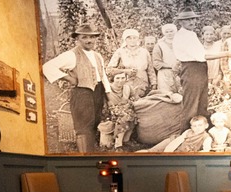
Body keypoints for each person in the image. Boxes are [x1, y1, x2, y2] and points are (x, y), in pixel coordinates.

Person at [42, 23, 107, 153]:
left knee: (94, 124)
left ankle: (91, 154)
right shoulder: (71, 55)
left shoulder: (97, 56)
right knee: (83, 127)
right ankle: (84, 158)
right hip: (82, 93)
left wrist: (108, 93)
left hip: (98, 92)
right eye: (84, 37)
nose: (89, 40)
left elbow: (103, 74)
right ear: (78, 39)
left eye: (92, 37)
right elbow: (47, 67)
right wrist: (69, 78)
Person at [172, 8, 231, 131]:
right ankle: (186, 134)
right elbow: (203, 56)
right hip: (191, 70)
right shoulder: (183, 36)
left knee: (202, 103)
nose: (191, 21)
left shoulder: (191, 34)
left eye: (193, 18)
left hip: (199, 70)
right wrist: (227, 53)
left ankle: (202, 132)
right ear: (181, 22)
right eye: (187, 20)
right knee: (191, 105)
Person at [107, 28, 156, 97]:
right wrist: (126, 71)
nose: (132, 40)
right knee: (128, 103)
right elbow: (109, 70)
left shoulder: (144, 52)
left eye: (134, 38)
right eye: (129, 38)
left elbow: (150, 70)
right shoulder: (120, 52)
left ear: (138, 39)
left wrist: (154, 84)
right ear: (125, 39)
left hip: (143, 84)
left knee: (142, 104)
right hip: (126, 83)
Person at [140, 115, 212, 153]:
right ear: (191, 127)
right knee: (151, 151)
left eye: (200, 125)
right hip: (172, 142)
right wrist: (167, 152)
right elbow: (176, 142)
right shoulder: (188, 132)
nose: (197, 128)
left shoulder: (206, 138)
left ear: (206, 126)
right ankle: (133, 157)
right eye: (195, 126)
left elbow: (206, 150)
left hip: (180, 151)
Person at [104, 71, 137, 148]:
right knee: (124, 117)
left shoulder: (127, 87)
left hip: (125, 109)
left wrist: (130, 101)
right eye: (117, 78)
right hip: (110, 111)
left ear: (126, 78)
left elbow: (133, 97)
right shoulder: (108, 88)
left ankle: (126, 140)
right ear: (113, 79)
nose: (120, 80)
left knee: (134, 116)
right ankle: (118, 145)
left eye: (123, 78)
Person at [152, 24, 180, 93]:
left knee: (180, 95)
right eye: (167, 32)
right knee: (166, 95)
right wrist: (171, 66)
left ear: (175, 32)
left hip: (179, 73)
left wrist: (178, 66)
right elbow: (156, 62)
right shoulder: (159, 45)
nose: (169, 33)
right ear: (164, 33)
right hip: (164, 74)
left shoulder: (180, 43)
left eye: (171, 31)